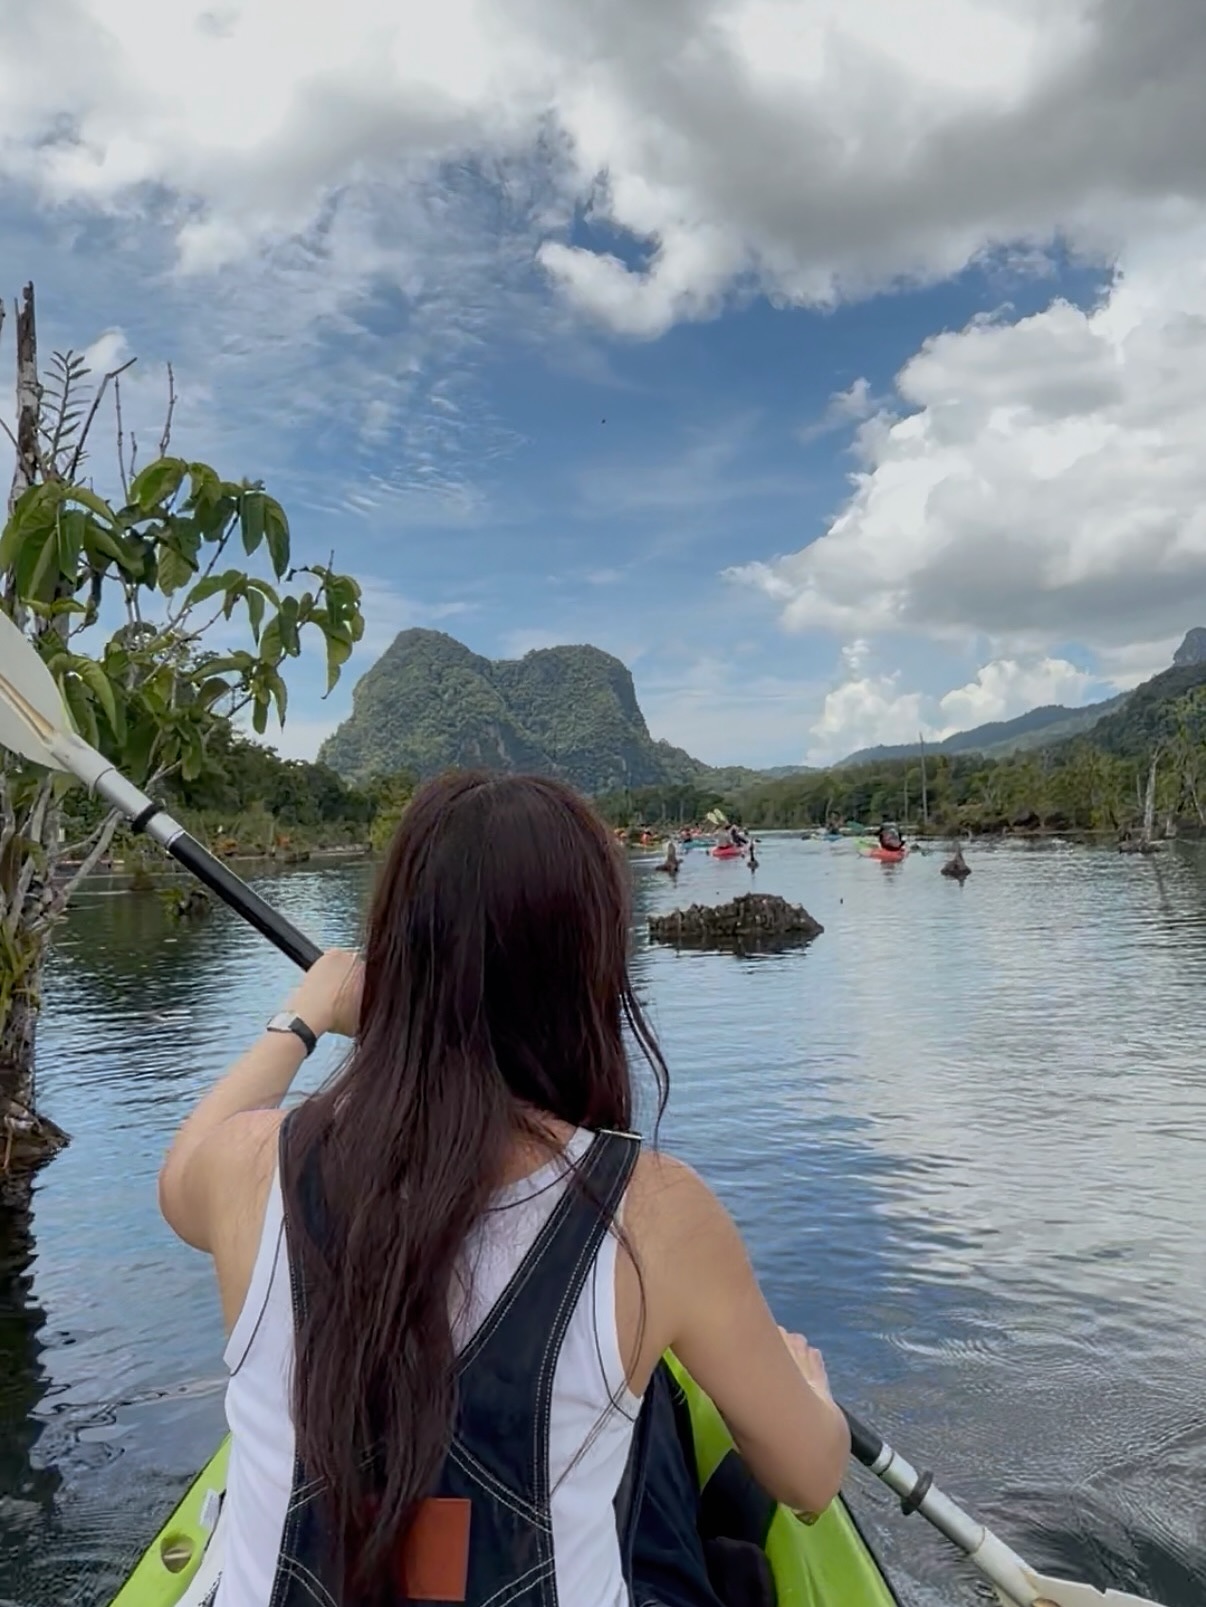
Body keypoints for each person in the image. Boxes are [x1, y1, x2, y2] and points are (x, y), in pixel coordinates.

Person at [158, 772, 849, 1607]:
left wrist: (306, 1014)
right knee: (665, 1424)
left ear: (395, 956)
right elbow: (810, 1478)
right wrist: (810, 1393)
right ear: (590, 967)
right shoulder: (656, 1214)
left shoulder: (250, 1163)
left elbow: (178, 1177)